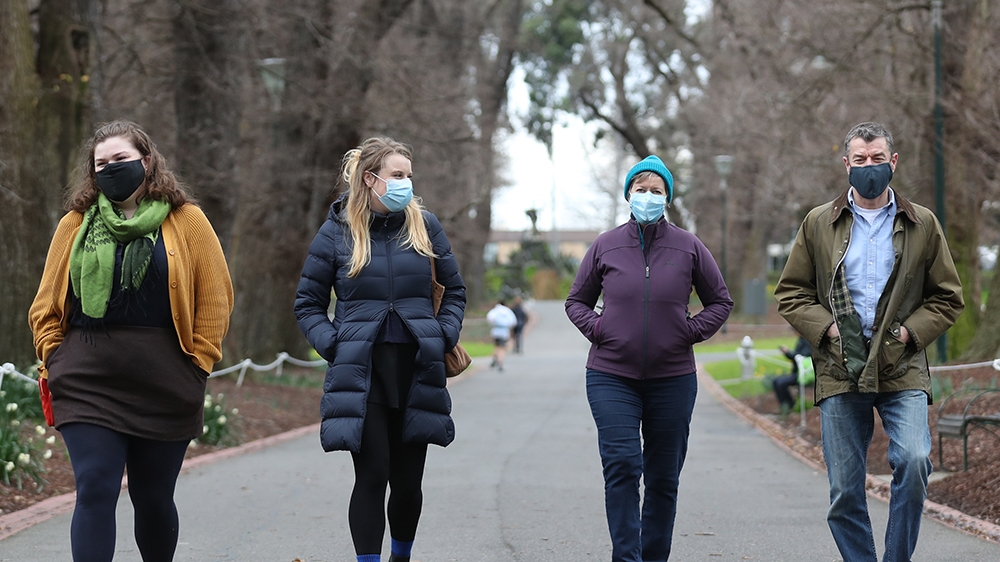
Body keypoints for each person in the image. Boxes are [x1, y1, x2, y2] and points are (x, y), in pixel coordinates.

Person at [28, 120, 234, 562]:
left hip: (166, 380)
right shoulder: (75, 223)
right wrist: (54, 354)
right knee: (95, 487)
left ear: (146, 160)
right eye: (100, 163)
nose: (110, 169)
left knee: (153, 498)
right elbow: (45, 303)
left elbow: (216, 297)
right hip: (86, 377)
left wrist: (198, 363)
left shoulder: (187, 220)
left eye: (119, 160)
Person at [775, 121, 963, 562]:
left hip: (902, 364)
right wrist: (830, 329)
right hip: (840, 366)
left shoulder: (922, 223)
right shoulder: (819, 223)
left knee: (915, 462)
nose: (869, 167)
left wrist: (908, 334)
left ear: (893, 161)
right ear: (846, 165)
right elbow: (792, 292)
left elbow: (947, 297)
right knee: (844, 490)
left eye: (878, 158)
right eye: (860, 160)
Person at [294, 136, 465, 562]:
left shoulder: (425, 225)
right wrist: (333, 344)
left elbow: (456, 291)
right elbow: (308, 303)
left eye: (409, 174)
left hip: (417, 369)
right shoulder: (336, 231)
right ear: (371, 179)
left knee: (408, 482)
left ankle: (400, 557)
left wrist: (442, 334)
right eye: (397, 175)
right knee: (371, 476)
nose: (407, 182)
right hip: (362, 372)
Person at [565, 155, 733, 562]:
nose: (648, 196)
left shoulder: (688, 246)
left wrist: (688, 332)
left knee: (663, 478)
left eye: (657, 191)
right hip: (611, 375)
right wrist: (602, 330)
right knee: (622, 466)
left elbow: (720, 301)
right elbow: (576, 301)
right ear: (628, 195)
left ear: (668, 199)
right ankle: (626, 557)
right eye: (641, 189)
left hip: (673, 378)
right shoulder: (606, 244)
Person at [772, 335, 812, 416]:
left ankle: (789, 405)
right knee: (775, 381)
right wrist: (787, 353)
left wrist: (788, 352)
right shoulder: (801, 340)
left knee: (781, 383)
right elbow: (796, 357)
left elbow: (802, 356)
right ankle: (785, 405)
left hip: (804, 374)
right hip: (796, 372)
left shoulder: (806, 341)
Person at [486, 299, 517, 370]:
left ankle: (495, 358)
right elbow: (513, 321)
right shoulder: (507, 311)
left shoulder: (495, 311)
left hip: (496, 331)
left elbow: (490, 318)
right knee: (502, 347)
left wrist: (493, 324)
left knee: (497, 346)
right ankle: (500, 362)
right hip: (504, 331)